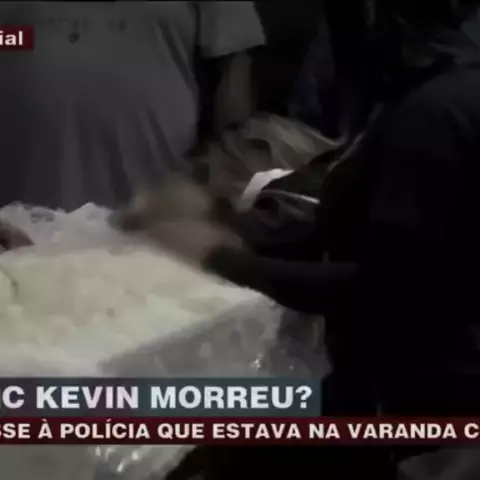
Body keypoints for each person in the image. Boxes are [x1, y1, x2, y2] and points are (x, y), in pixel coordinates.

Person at [119, 1, 480, 478]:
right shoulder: (447, 96)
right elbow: (364, 228)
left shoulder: (432, 118)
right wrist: (226, 219)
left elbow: (384, 289)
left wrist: (217, 256)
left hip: (426, 416)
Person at [0, 1, 264, 211]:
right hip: (17, 212)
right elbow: (15, 37)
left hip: (159, 210)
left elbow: (233, 68)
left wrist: (226, 188)